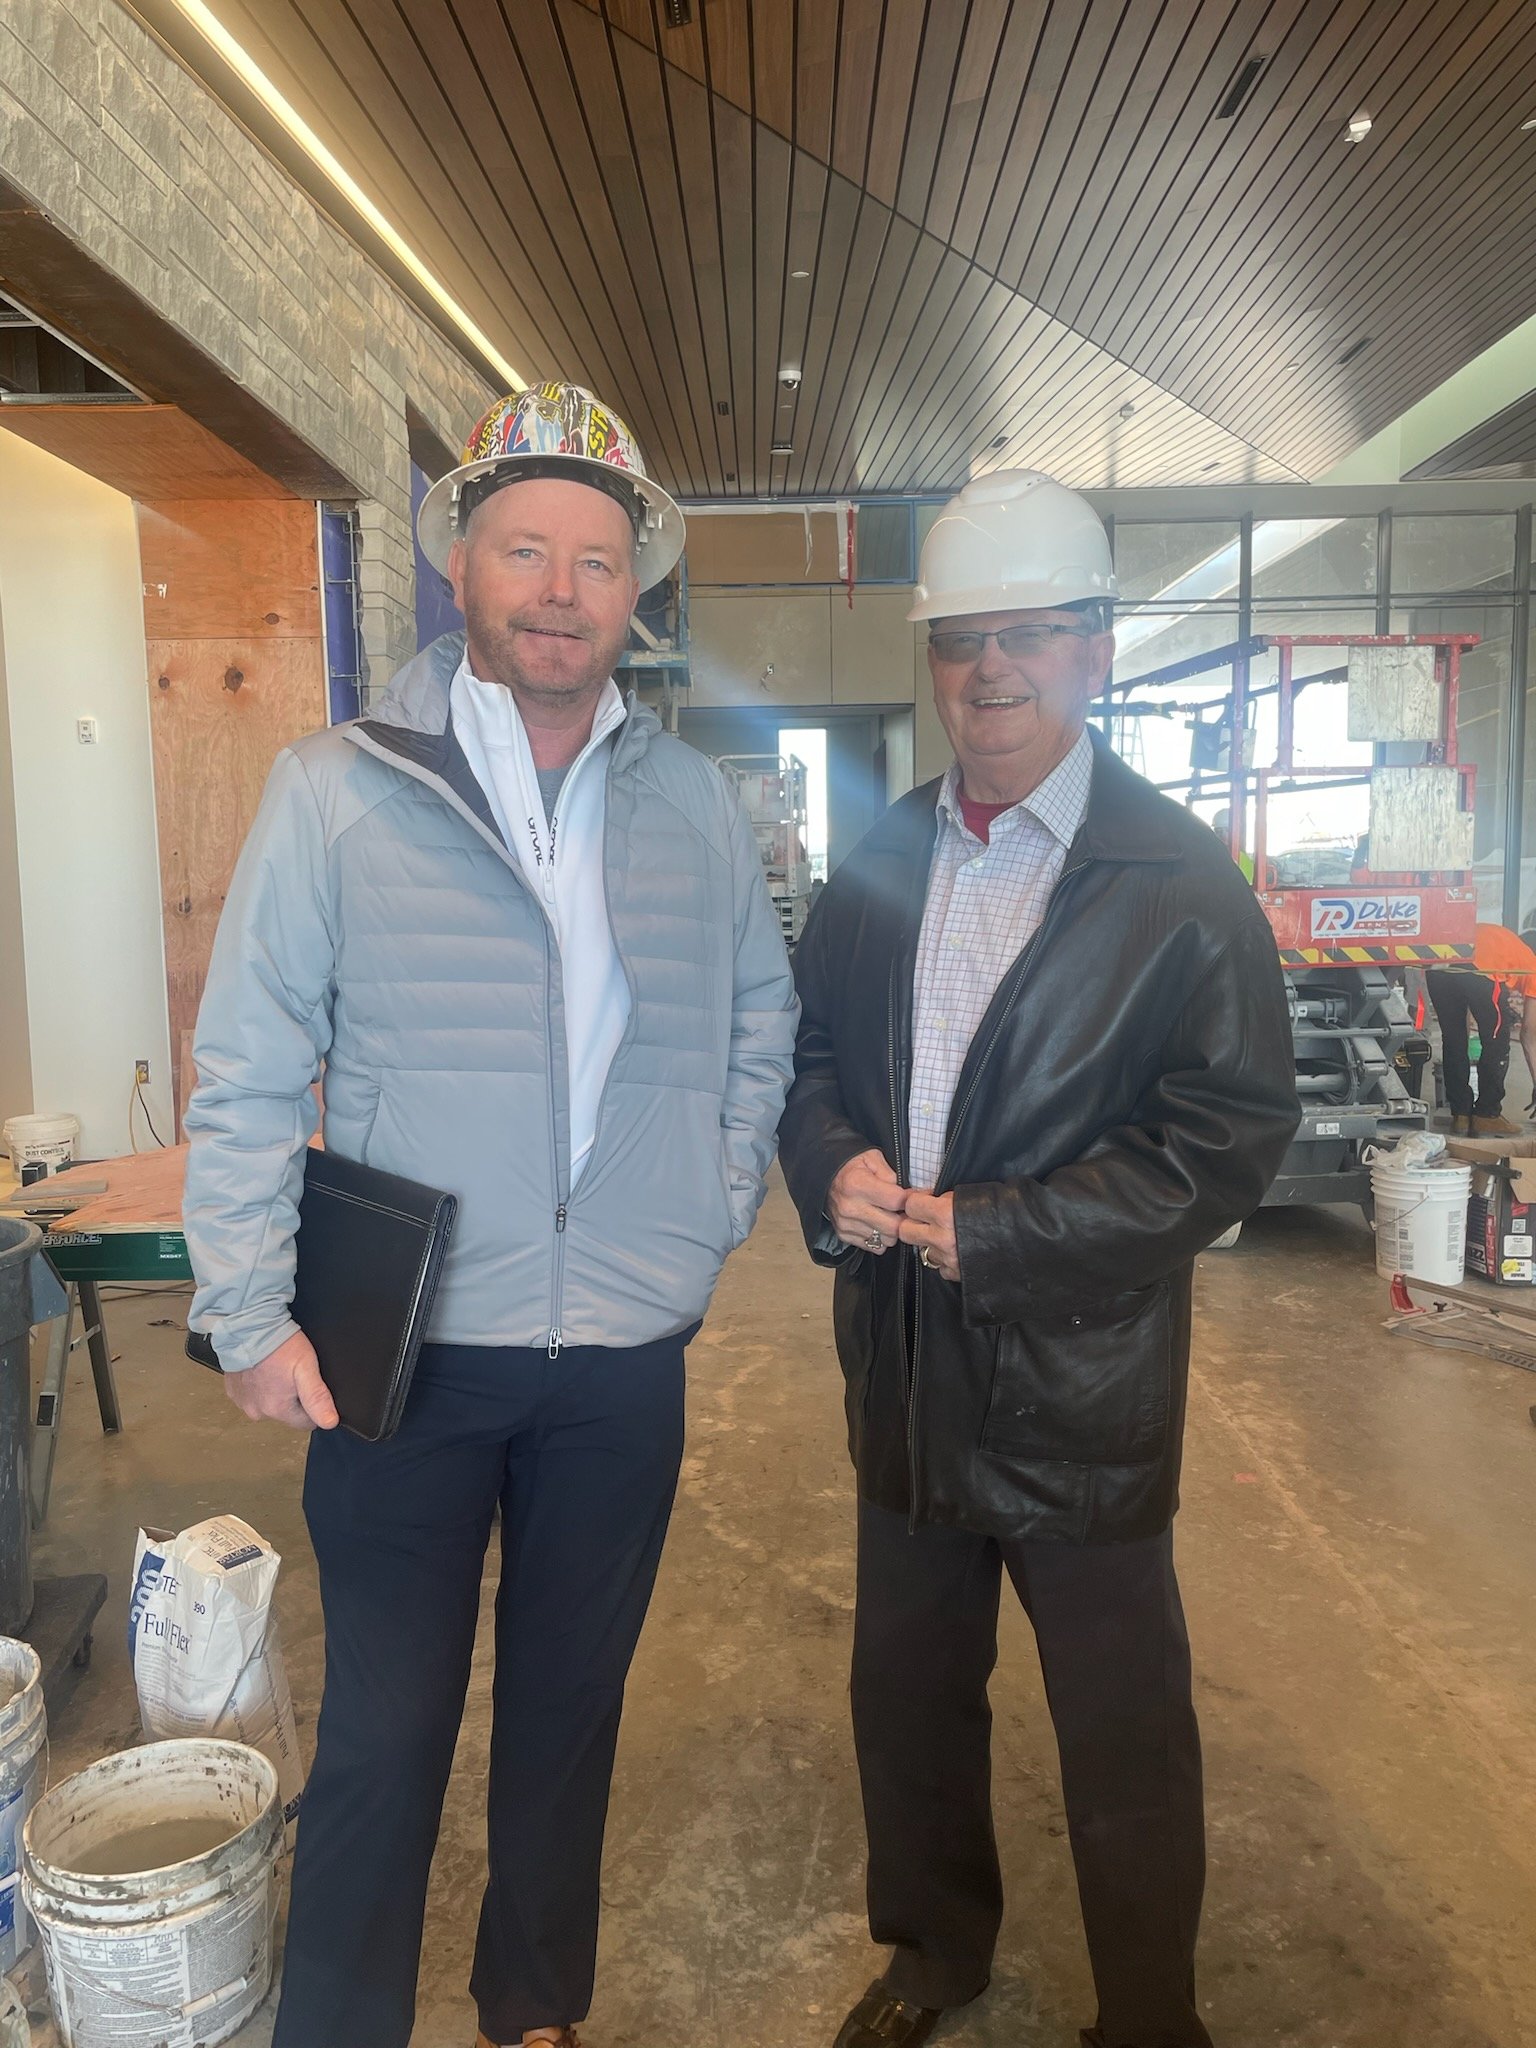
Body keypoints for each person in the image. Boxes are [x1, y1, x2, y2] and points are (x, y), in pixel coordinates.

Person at [182, 381, 798, 2048]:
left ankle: (534, 2007)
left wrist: (708, 1199)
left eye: (595, 560)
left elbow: (759, 1020)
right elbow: (245, 1059)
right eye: (525, 546)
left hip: (618, 1353)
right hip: (409, 1351)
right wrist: (246, 1306)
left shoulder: (692, 809)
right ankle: (340, 2026)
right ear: (462, 559)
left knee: (567, 1716)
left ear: (633, 591)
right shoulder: (336, 787)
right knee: (384, 1733)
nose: (558, 586)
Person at [779, 470, 1299, 2048]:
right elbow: (802, 1061)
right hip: (908, 1376)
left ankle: (1152, 2016)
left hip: (1081, 1386)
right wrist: (829, 1167)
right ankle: (935, 1952)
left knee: (1123, 1733)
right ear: (931, 660)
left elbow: (1226, 1137)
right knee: (908, 1704)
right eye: (960, 642)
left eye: (1029, 636)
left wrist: (1001, 1238)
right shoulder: (877, 861)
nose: (989, 671)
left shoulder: (1179, 882)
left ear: (1096, 650)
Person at [1425, 920, 1532, 1136]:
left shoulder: (1508, 942)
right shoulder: (1531, 965)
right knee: (1496, 1040)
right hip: (1482, 969)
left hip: (1438, 965)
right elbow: (1530, 1034)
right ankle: (1486, 1115)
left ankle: (1461, 1116)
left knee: (1454, 1039)